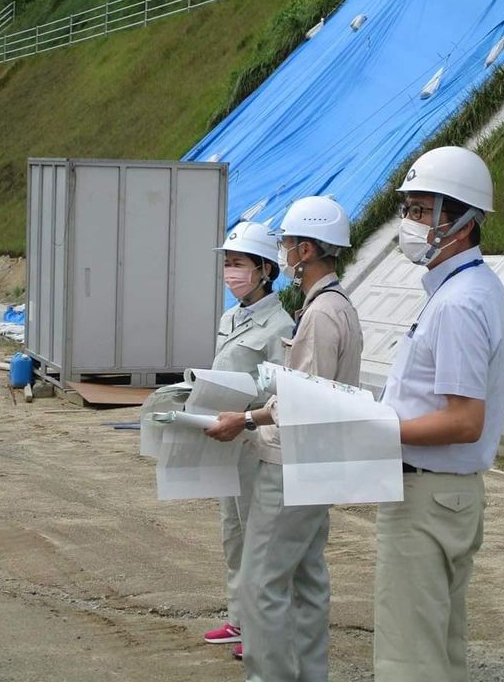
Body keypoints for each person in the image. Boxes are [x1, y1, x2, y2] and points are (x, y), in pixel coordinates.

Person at [206, 195, 363, 682]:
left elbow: (303, 400)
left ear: (308, 249)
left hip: (288, 464)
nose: (285, 252)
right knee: (307, 579)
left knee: (260, 584)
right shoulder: (339, 307)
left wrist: (245, 420)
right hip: (318, 461)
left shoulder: (318, 316)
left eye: (290, 243)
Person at [374, 146, 504, 682]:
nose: (408, 223)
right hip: (444, 494)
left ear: (460, 219)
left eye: (419, 209)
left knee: (410, 657)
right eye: (407, 208)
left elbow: (463, 420)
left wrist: (375, 430)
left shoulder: (458, 303)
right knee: (438, 648)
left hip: (427, 495)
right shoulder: (468, 290)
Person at [203, 221, 294, 657]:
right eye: (226, 264)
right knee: (233, 532)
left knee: (260, 535)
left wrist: (246, 415)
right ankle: (238, 619)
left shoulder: (280, 324)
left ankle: (262, 627)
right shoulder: (230, 317)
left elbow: (280, 388)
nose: (230, 272)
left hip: (257, 438)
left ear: (264, 269)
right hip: (227, 436)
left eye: (238, 264)